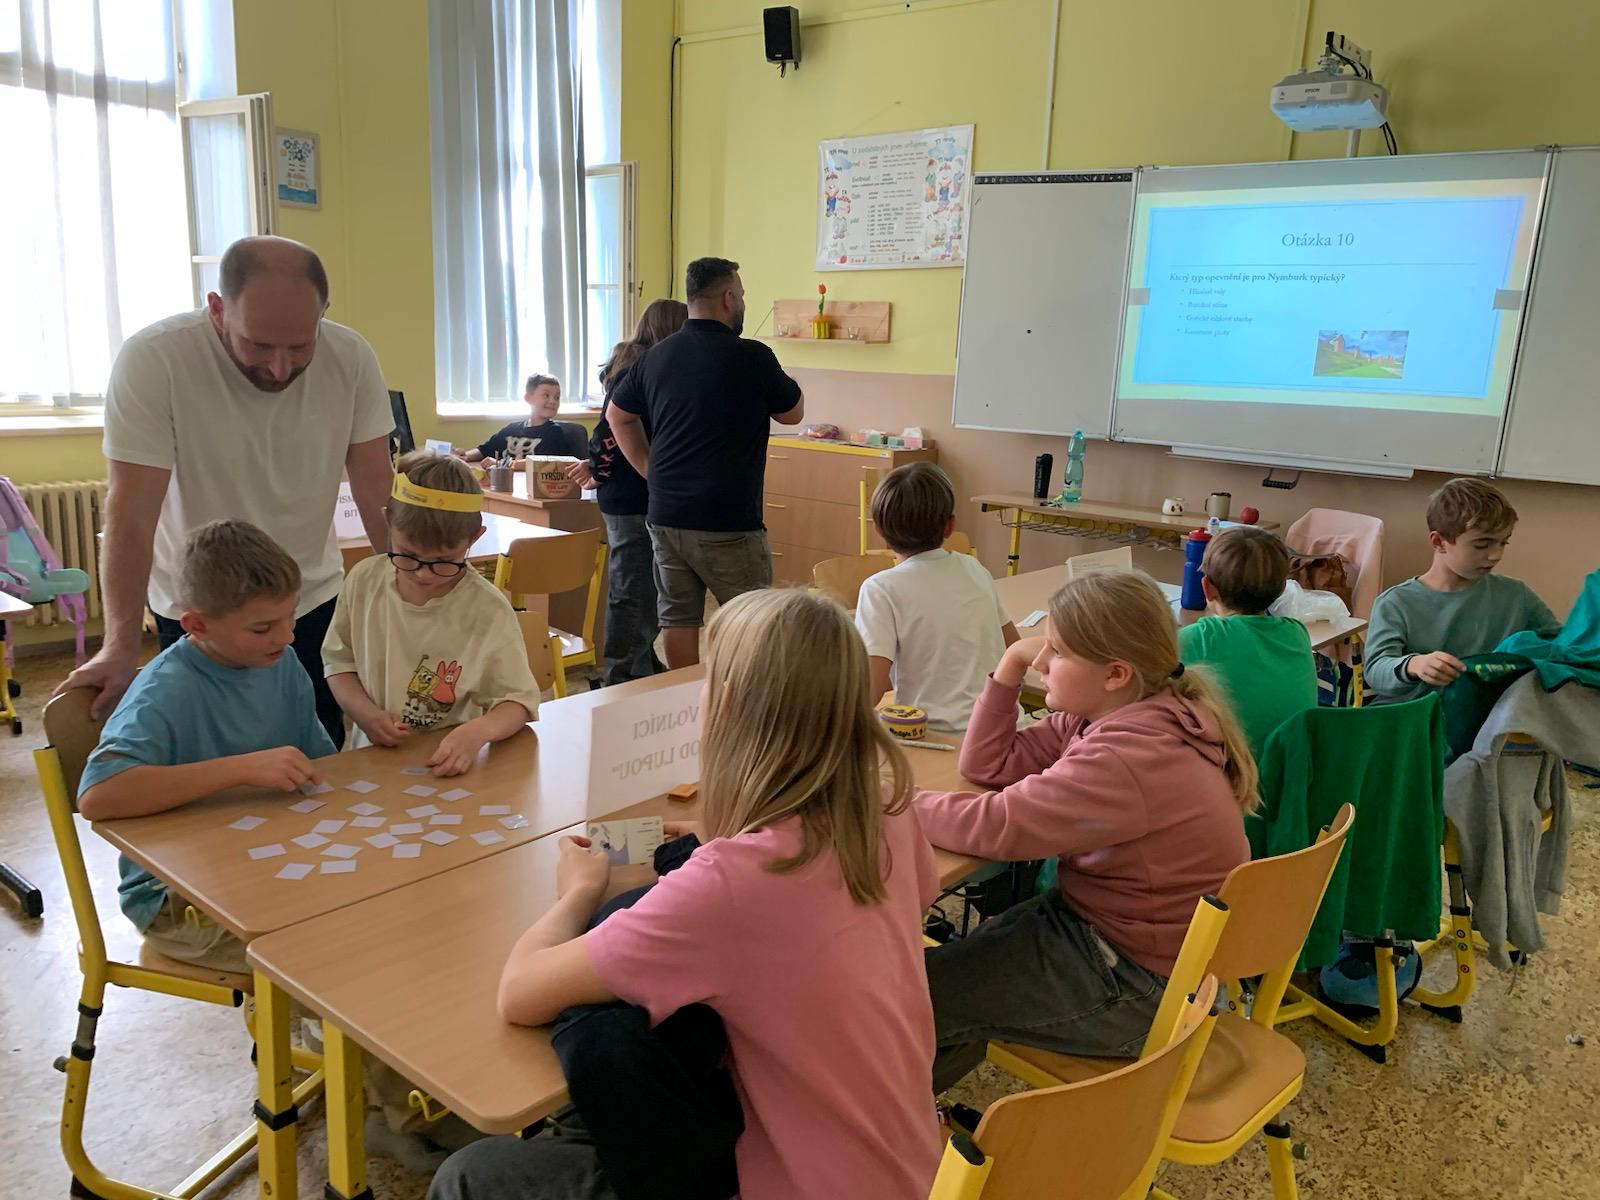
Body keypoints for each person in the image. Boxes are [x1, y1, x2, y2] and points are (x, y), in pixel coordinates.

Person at [429, 589, 944, 1200]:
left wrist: (578, 892)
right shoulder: (884, 810)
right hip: (910, 1163)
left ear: (723, 705)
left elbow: (519, 992)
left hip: (791, 1181)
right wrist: (730, 840)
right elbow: (866, 906)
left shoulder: (730, 886)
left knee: (469, 1177)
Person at [914, 570, 1253, 1090]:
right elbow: (988, 764)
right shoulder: (1123, 711)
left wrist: (892, 801)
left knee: (909, 1002)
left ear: (1115, 674)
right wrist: (1010, 664)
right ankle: (906, 1110)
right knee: (927, 986)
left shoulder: (1129, 755)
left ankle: (892, 1123)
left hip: (1136, 985)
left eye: (1058, 651)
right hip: (1111, 940)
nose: (1041, 661)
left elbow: (998, 824)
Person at [56, 236, 395, 748]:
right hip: (202, 610)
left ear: (322, 313)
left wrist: (407, 594)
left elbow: (375, 489)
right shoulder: (156, 359)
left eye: (299, 346)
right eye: (258, 345)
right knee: (205, 756)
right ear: (217, 310)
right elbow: (132, 514)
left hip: (309, 602)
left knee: (314, 754)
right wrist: (121, 643)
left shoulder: (351, 356)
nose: (280, 368)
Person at [77, 521, 335, 973]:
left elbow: (323, 769)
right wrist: (239, 770)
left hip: (264, 859)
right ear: (196, 624)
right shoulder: (165, 689)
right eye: (263, 627)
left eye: (291, 617)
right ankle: (286, 1018)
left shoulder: (281, 661)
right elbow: (99, 797)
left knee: (364, 922)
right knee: (319, 958)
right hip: (175, 900)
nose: (287, 636)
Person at [608, 258, 806, 669]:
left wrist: (649, 469)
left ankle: (682, 696)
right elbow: (793, 413)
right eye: (742, 295)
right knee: (752, 619)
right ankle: (747, 696)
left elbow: (617, 415)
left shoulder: (656, 356)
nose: (744, 303)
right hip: (728, 519)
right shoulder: (752, 356)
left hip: (666, 514)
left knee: (677, 616)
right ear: (728, 298)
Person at [322, 452, 541, 768]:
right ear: (388, 521)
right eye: (407, 555)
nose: (423, 574)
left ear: (475, 538)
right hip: (374, 759)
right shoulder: (364, 581)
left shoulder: (488, 608)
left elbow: (518, 701)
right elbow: (338, 663)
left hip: (451, 764)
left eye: (443, 561)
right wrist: (365, 715)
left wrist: (478, 731)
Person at [565, 300, 689, 684]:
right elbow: (608, 433)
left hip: (632, 496)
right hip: (630, 498)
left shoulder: (635, 366)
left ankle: (641, 663)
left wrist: (599, 469)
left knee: (645, 587)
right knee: (633, 589)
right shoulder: (640, 371)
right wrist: (598, 471)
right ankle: (621, 674)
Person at [1366, 477, 1560, 704]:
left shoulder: (1517, 595)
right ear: (1439, 542)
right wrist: (1413, 665)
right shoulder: (1396, 602)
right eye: (1482, 544)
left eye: (1503, 543)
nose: (1496, 555)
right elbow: (1376, 671)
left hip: (1488, 718)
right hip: (1416, 717)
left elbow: (1562, 645)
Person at [855, 462, 1018, 730]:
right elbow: (1014, 648)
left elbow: (871, 687)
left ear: (879, 530)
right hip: (1001, 728)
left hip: (933, 732)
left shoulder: (880, 588)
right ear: (950, 526)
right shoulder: (973, 567)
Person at [1177, 526, 1316, 759]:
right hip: (1291, 773)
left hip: (1231, 774)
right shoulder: (1297, 633)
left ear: (1207, 588)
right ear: (1282, 588)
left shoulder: (1199, 638)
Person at [460, 374, 587, 463]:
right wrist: (465, 456)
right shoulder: (511, 429)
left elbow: (541, 464)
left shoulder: (554, 432)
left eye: (557, 397)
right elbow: (485, 450)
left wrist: (502, 464)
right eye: (546, 395)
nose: (553, 401)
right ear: (528, 398)